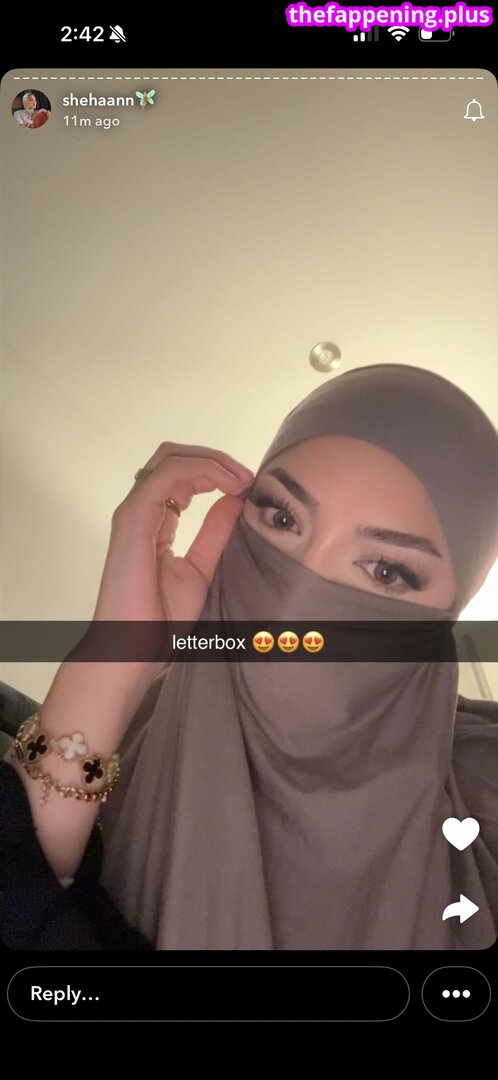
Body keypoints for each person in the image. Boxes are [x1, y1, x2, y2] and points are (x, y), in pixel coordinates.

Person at [2, 363, 498, 950]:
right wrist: (113, 663)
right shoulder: (111, 740)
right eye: (282, 518)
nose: (296, 598)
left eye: (386, 571)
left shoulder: (483, 799)